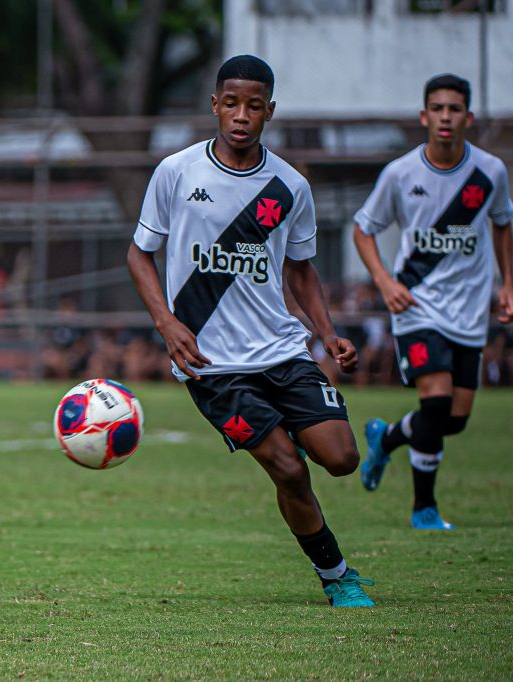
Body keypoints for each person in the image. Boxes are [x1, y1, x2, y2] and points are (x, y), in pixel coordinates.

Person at [127, 55, 376, 607]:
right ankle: (337, 577)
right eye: (232, 103)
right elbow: (139, 255)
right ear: (215, 105)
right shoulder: (177, 172)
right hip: (212, 367)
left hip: (283, 350)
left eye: (254, 105)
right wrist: (167, 324)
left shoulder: (289, 185)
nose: (242, 115)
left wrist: (327, 332)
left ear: (269, 111)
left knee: (340, 459)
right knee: (288, 469)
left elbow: (302, 270)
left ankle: (293, 438)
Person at [353, 74, 512, 530]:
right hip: (416, 306)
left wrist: (508, 284)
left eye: (454, 108)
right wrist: (385, 283)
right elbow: (363, 230)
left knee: (454, 420)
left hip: (469, 311)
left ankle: (386, 437)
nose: (446, 116)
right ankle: (425, 508)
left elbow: (503, 222)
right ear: (425, 116)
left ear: (468, 117)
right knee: (437, 405)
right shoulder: (401, 174)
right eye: (437, 108)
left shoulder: (490, 173)